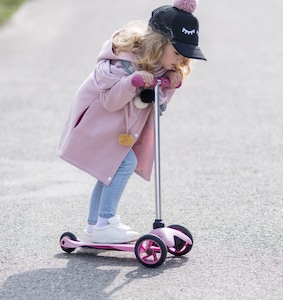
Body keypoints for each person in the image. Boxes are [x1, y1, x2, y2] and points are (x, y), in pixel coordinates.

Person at [57, 0, 206, 244]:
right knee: (125, 164)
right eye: (177, 53)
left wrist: (168, 83)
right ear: (159, 44)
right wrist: (132, 82)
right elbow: (111, 102)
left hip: (118, 130)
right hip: (98, 125)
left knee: (108, 172)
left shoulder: (159, 65)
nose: (180, 61)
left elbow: (157, 104)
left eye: (185, 56)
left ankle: (94, 227)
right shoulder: (121, 63)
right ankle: (106, 221)